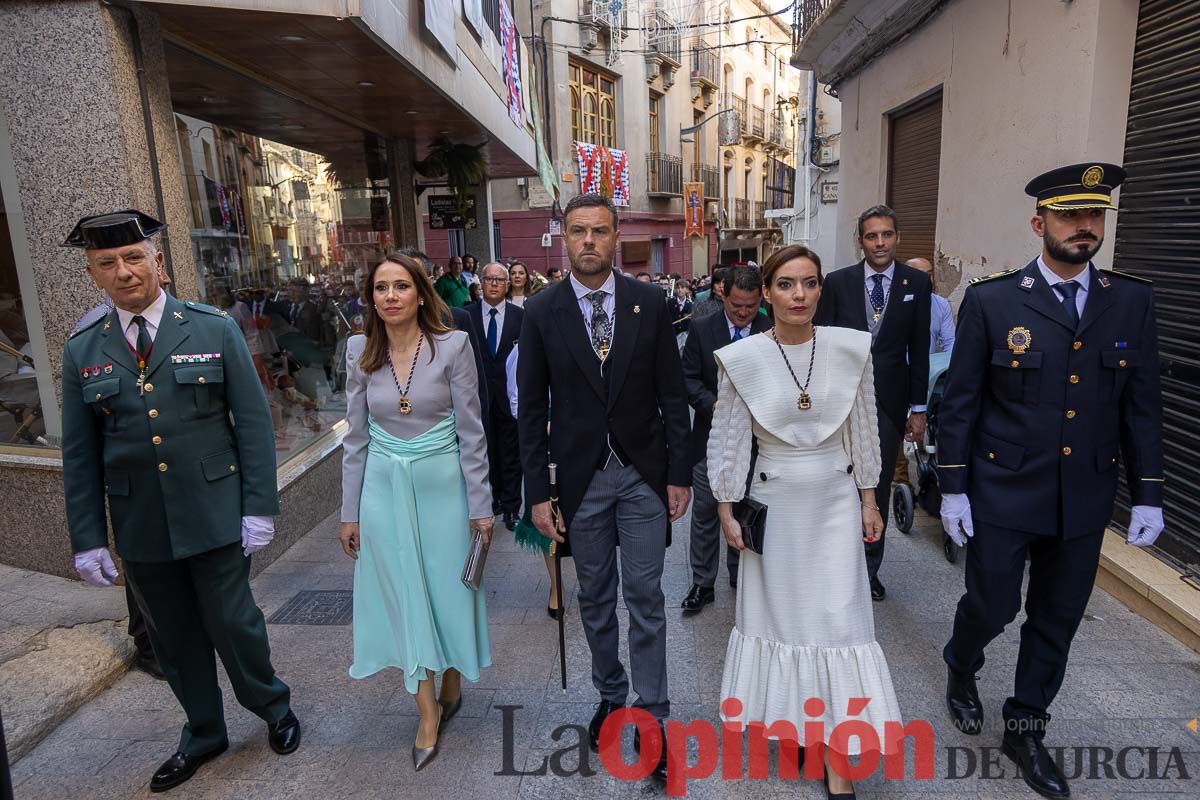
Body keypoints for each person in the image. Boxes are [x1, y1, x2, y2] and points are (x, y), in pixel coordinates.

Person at [938, 163, 1165, 800]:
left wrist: (1149, 492)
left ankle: (1026, 725)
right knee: (993, 604)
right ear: (1041, 224)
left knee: (1056, 619)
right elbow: (962, 401)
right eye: (1071, 216)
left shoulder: (1132, 299)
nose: (1084, 227)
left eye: (1095, 216)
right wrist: (952, 486)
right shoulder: (993, 299)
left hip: (1085, 495)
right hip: (1004, 490)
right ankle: (962, 662)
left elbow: (1141, 405)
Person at [61, 210, 300, 793]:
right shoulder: (82, 348)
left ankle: (273, 708)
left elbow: (251, 425)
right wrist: (89, 538)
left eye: (134, 258)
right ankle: (203, 732)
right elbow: (79, 454)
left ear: (158, 262)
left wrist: (258, 506)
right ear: (94, 274)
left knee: (234, 624)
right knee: (172, 638)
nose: (123, 272)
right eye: (107, 264)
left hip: (215, 515)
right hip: (141, 523)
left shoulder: (212, 329)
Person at [710, 245, 901, 798]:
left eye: (810, 284)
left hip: (837, 504)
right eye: (787, 284)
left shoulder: (850, 349)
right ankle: (804, 728)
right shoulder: (741, 358)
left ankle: (838, 765)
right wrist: (726, 508)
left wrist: (871, 499)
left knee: (841, 625)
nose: (800, 295)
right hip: (776, 508)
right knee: (788, 626)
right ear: (766, 292)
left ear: (822, 290)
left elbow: (865, 429)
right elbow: (727, 439)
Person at [518, 193, 691, 784]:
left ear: (617, 237)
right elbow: (530, 409)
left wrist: (678, 474)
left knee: (645, 597)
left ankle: (653, 714)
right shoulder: (540, 312)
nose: (588, 241)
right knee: (594, 599)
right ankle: (612, 696)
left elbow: (673, 394)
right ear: (563, 239)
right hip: (581, 480)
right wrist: (537, 493)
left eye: (599, 231)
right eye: (577, 232)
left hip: (643, 475)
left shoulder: (651, 303)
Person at [339, 252, 493, 772]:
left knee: (447, 593)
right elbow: (355, 439)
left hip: (444, 488)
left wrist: (481, 507)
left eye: (400, 286)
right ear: (371, 299)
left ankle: (450, 678)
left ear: (421, 293)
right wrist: (350, 512)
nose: (390, 297)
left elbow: (472, 431)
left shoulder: (453, 346)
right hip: (383, 489)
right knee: (404, 595)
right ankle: (426, 713)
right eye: (380, 288)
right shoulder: (359, 350)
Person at [813, 205, 932, 602]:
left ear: (897, 237)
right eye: (871, 236)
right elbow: (823, 342)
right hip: (841, 400)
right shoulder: (838, 282)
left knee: (876, 484)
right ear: (860, 240)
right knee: (837, 481)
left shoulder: (916, 282)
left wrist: (918, 408)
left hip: (889, 402)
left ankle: (868, 570)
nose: (879, 243)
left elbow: (919, 348)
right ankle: (832, 565)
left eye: (886, 235)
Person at [679, 266, 772, 614]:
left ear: (760, 298)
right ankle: (702, 583)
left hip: (758, 445)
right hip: (710, 437)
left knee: (745, 509)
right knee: (705, 512)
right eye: (737, 306)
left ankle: (741, 576)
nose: (744, 313)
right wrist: (714, 405)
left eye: (750, 306)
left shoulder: (771, 331)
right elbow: (687, 379)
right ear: (723, 295)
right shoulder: (703, 329)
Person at [504, 343, 563, 619]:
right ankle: (556, 586)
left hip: (582, 435)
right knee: (546, 513)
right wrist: (543, 423)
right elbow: (517, 399)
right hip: (543, 438)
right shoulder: (522, 349)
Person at [465, 263, 523, 529]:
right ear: (481, 283)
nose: (495, 284)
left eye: (500, 279)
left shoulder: (519, 316)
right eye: (489, 279)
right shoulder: (466, 316)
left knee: (511, 452)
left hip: (508, 397)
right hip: (477, 396)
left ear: (507, 284)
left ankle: (512, 507)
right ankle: (493, 499)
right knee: (485, 451)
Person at [906, 257, 955, 353]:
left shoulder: (941, 304)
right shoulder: (891, 302)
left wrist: (952, 364)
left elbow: (950, 341)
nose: (926, 279)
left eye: (929, 274)